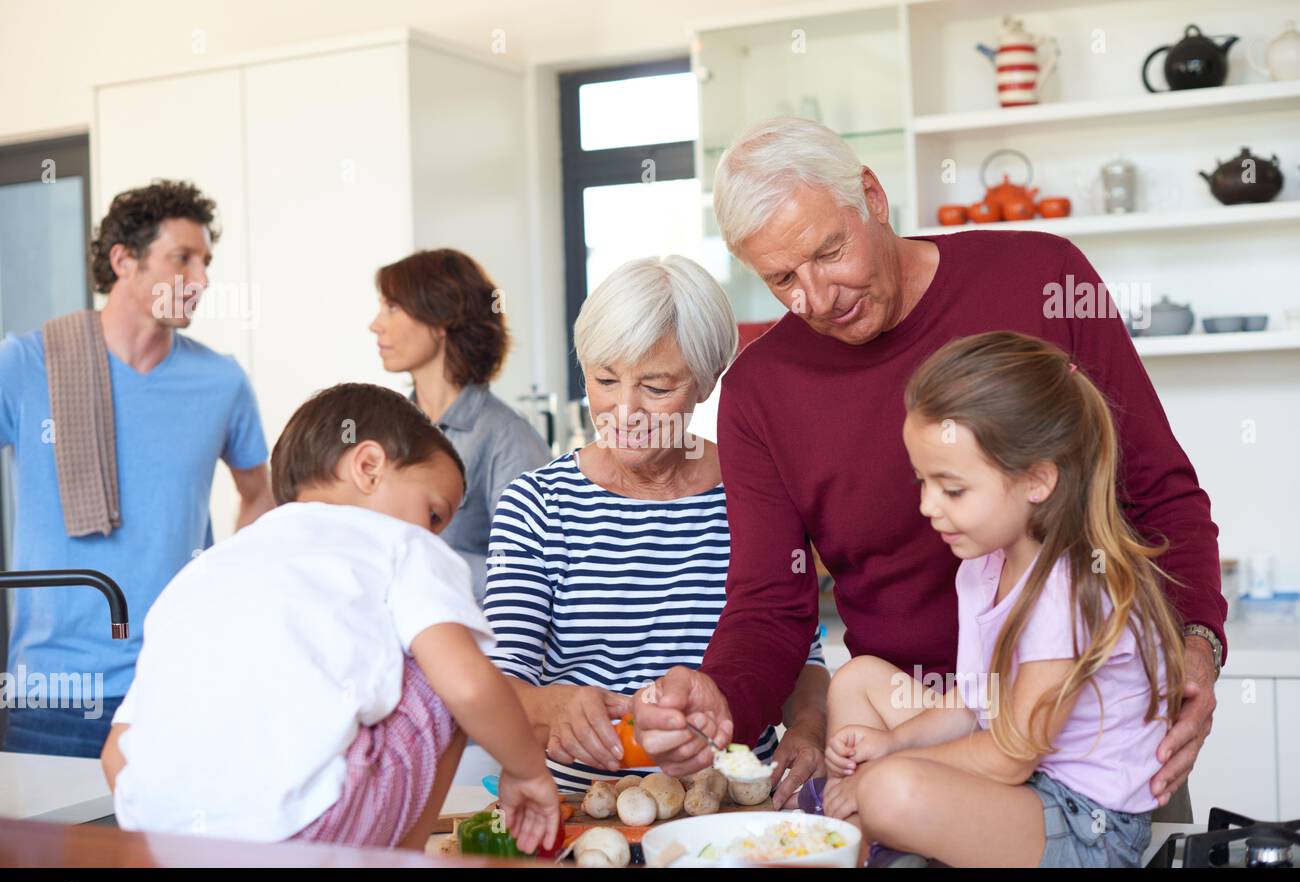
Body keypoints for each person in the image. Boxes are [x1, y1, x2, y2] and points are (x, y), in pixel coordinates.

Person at [631, 117, 1223, 824]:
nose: (818, 298)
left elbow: (1158, 490)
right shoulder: (762, 389)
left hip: (1097, 737)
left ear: (873, 198)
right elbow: (770, 603)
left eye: (829, 251)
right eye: (783, 278)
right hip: (919, 740)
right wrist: (720, 695)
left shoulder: (1042, 278)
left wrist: (1198, 640)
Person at [100, 383, 559, 851]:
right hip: (309, 832)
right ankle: (401, 861)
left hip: (166, 839)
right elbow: (468, 686)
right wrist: (528, 771)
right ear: (368, 466)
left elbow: (117, 752)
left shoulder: (208, 568)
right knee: (446, 660)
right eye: (434, 514)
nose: (435, 536)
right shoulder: (404, 544)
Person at [822, 332, 1184, 867]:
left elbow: (1012, 756)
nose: (927, 506)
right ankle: (872, 844)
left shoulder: (1072, 588)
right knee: (857, 679)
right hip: (1025, 780)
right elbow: (974, 702)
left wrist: (884, 772)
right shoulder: (981, 568)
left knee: (889, 790)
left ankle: (879, 834)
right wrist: (893, 744)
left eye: (953, 488)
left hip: (1085, 826)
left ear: (1037, 479)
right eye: (922, 482)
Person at [486, 256, 827, 806]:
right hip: (584, 810)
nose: (625, 410)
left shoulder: (758, 497)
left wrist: (809, 731)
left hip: (731, 801)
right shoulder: (537, 505)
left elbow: (802, 657)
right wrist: (553, 707)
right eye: (604, 379)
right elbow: (496, 683)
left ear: (708, 381)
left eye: (656, 385)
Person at [0, 180, 273, 758]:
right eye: (182, 259)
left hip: (173, 683)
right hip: (52, 689)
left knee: (165, 853)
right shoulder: (27, 364)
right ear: (124, 261)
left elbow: (261, 494)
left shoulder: (221, 382)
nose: (200, 280)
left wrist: (221, 587)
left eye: (205, 262)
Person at [370, 249, 551, 604]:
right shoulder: (383, 431)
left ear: (440, 320)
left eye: (393, 307)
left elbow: (528, 574)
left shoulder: (508, 437)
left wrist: (422, 563)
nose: (375, 324)